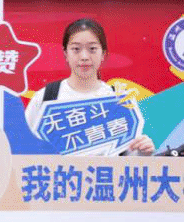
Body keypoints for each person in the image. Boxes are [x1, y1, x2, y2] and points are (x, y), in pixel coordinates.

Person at [25, 18, 154, 155]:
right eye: (76, 49)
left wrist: (143, 151)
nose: (84, 56)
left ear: (103, 54)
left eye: (92, 49)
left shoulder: (120, 100)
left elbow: (129, 158)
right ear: (66, 54)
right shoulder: (46, 97)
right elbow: (23, 149)